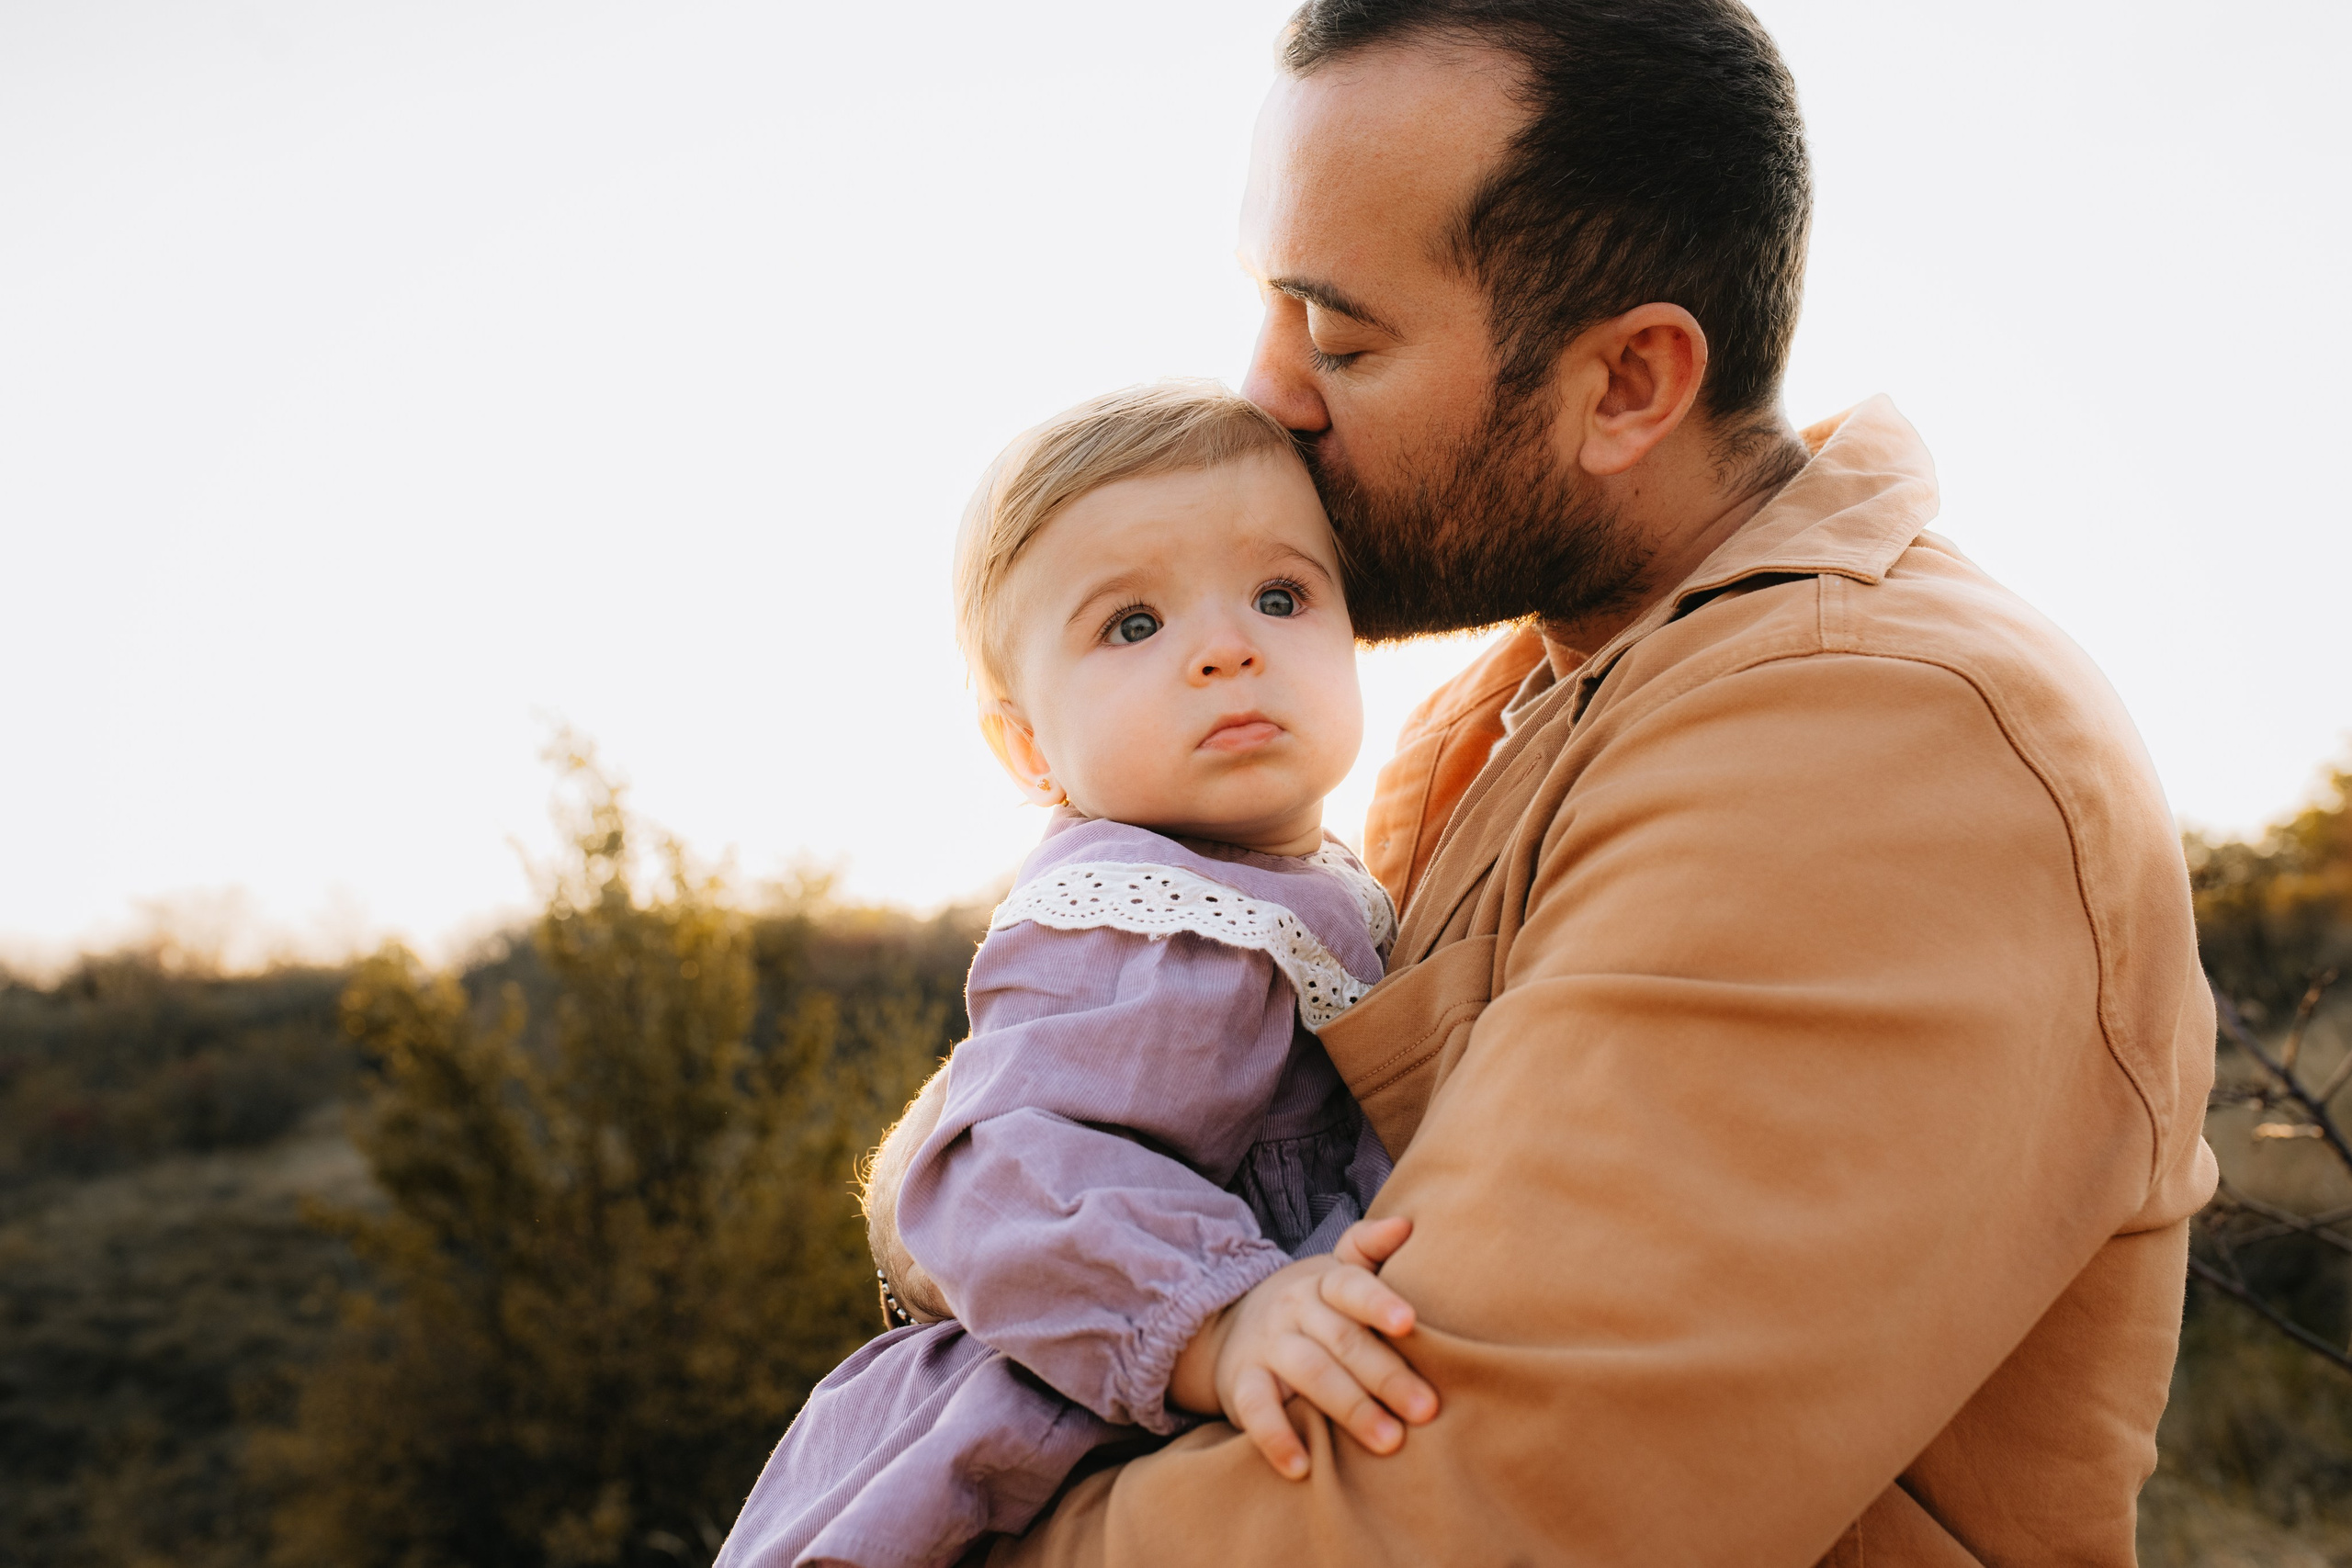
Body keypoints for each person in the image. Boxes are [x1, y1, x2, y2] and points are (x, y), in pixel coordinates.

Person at [986, 3, 2218, 1564]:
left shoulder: (1877, 744)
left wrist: (933, 1521)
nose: (1269, 392)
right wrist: (981, 1185)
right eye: (1270, 311)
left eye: (1342, 336)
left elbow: (1465, 1513)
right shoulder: (1539, 703)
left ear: (1629, 382)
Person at [715, 383, 1442, 1568]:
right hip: (1075, 1382)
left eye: (1280, 595)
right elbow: (994, 1169)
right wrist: (1219, 1315)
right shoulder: (1140, 913)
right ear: (1031, 748)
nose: (1227, 648)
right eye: (1134, 625)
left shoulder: (1307, 881)